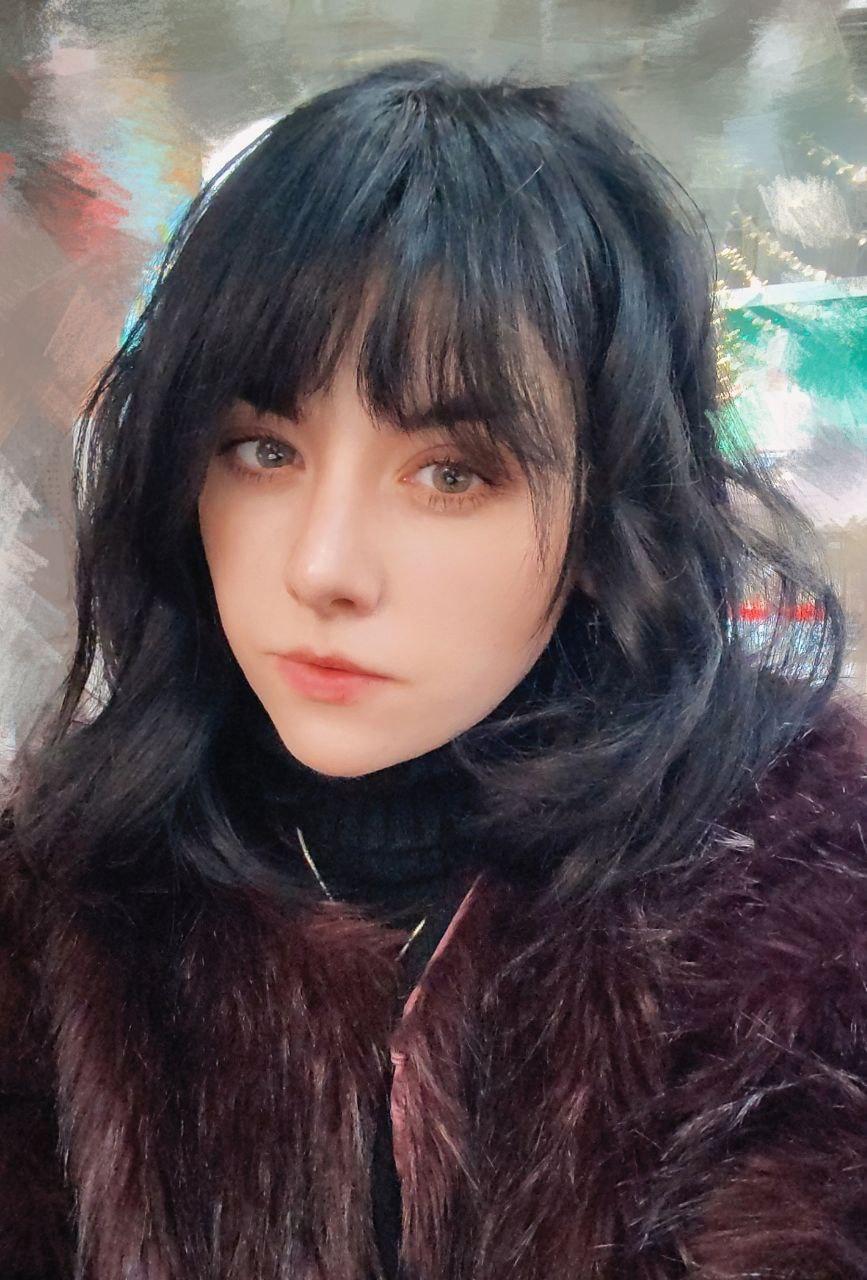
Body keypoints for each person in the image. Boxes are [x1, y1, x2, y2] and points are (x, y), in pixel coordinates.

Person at [1, 57, 865, 1280]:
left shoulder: (801, 909)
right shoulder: (65, 904)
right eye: (262, 449)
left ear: (605, 515)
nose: (324, 566)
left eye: (451, 472)